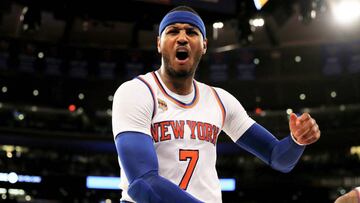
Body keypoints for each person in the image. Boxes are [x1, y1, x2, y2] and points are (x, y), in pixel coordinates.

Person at [112, 6, 321, 203]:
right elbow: (142, 183)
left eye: (192, 32)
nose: (182, 38)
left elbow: (277, 157)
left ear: (204, 45)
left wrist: (296, 141)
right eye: (173, 31)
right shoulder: (136, 92)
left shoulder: (220, 100)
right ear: (159, 43)